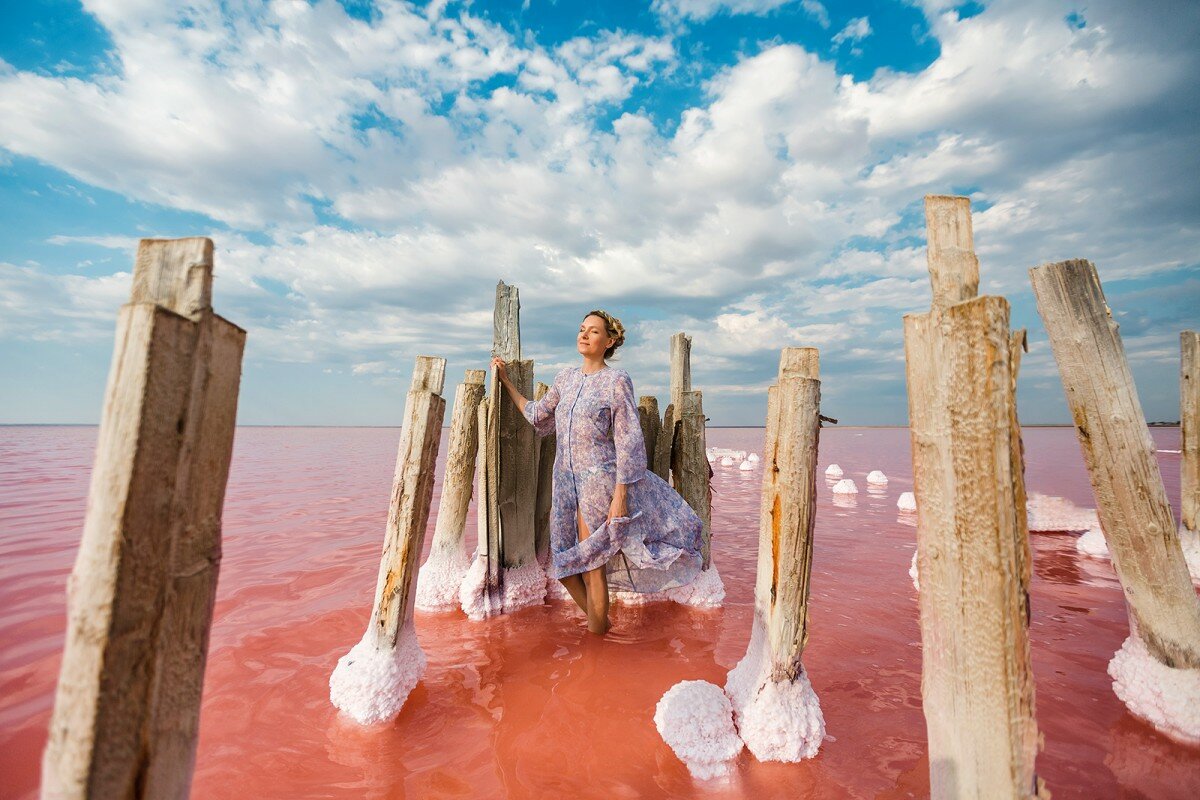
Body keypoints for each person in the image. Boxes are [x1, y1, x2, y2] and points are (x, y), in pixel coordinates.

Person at [491, 309, 704, 635]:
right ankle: (600, 626)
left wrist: (620, 498)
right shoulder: (565, 378)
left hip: (599, 484)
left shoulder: (616, 381)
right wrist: (505, 381)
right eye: (581, 329)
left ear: (610, 341)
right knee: (563, 565)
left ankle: (596, 640)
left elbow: (630, 443)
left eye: (593, 331)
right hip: (563, 481)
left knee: (592, 567)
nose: (584, 335)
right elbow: (537, 415)